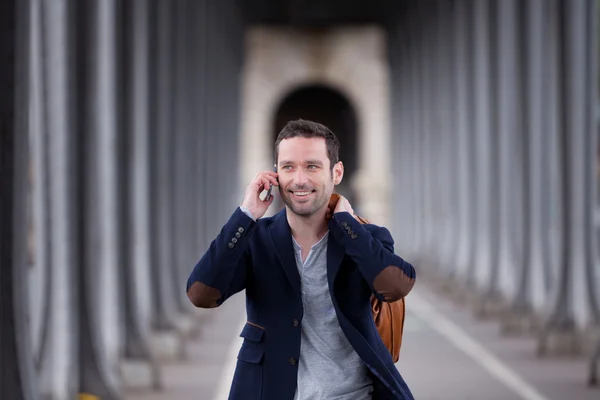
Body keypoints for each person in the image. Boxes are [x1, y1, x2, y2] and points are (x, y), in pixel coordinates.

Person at [186, 119, 416, 400]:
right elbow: (202, 294)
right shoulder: (256, 239)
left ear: (337, 172)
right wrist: (245, 214)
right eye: (288, 167)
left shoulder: (364, 237)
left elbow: (395, 286)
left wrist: (348, 224)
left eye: (312, 166)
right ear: (275, 174)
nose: (299, 179)